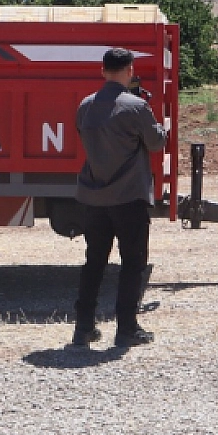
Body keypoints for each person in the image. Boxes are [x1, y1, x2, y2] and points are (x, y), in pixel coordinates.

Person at [71, 47, 166, 348]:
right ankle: (126, 328)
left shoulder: (85, 106)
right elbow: (155, 143)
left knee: (94, 262)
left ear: (102, 71)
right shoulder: (136, 107)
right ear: (130, 71)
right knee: (132, 263)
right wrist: (160, 125)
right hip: (128, 198)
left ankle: (83, 328)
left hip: (94, 198)